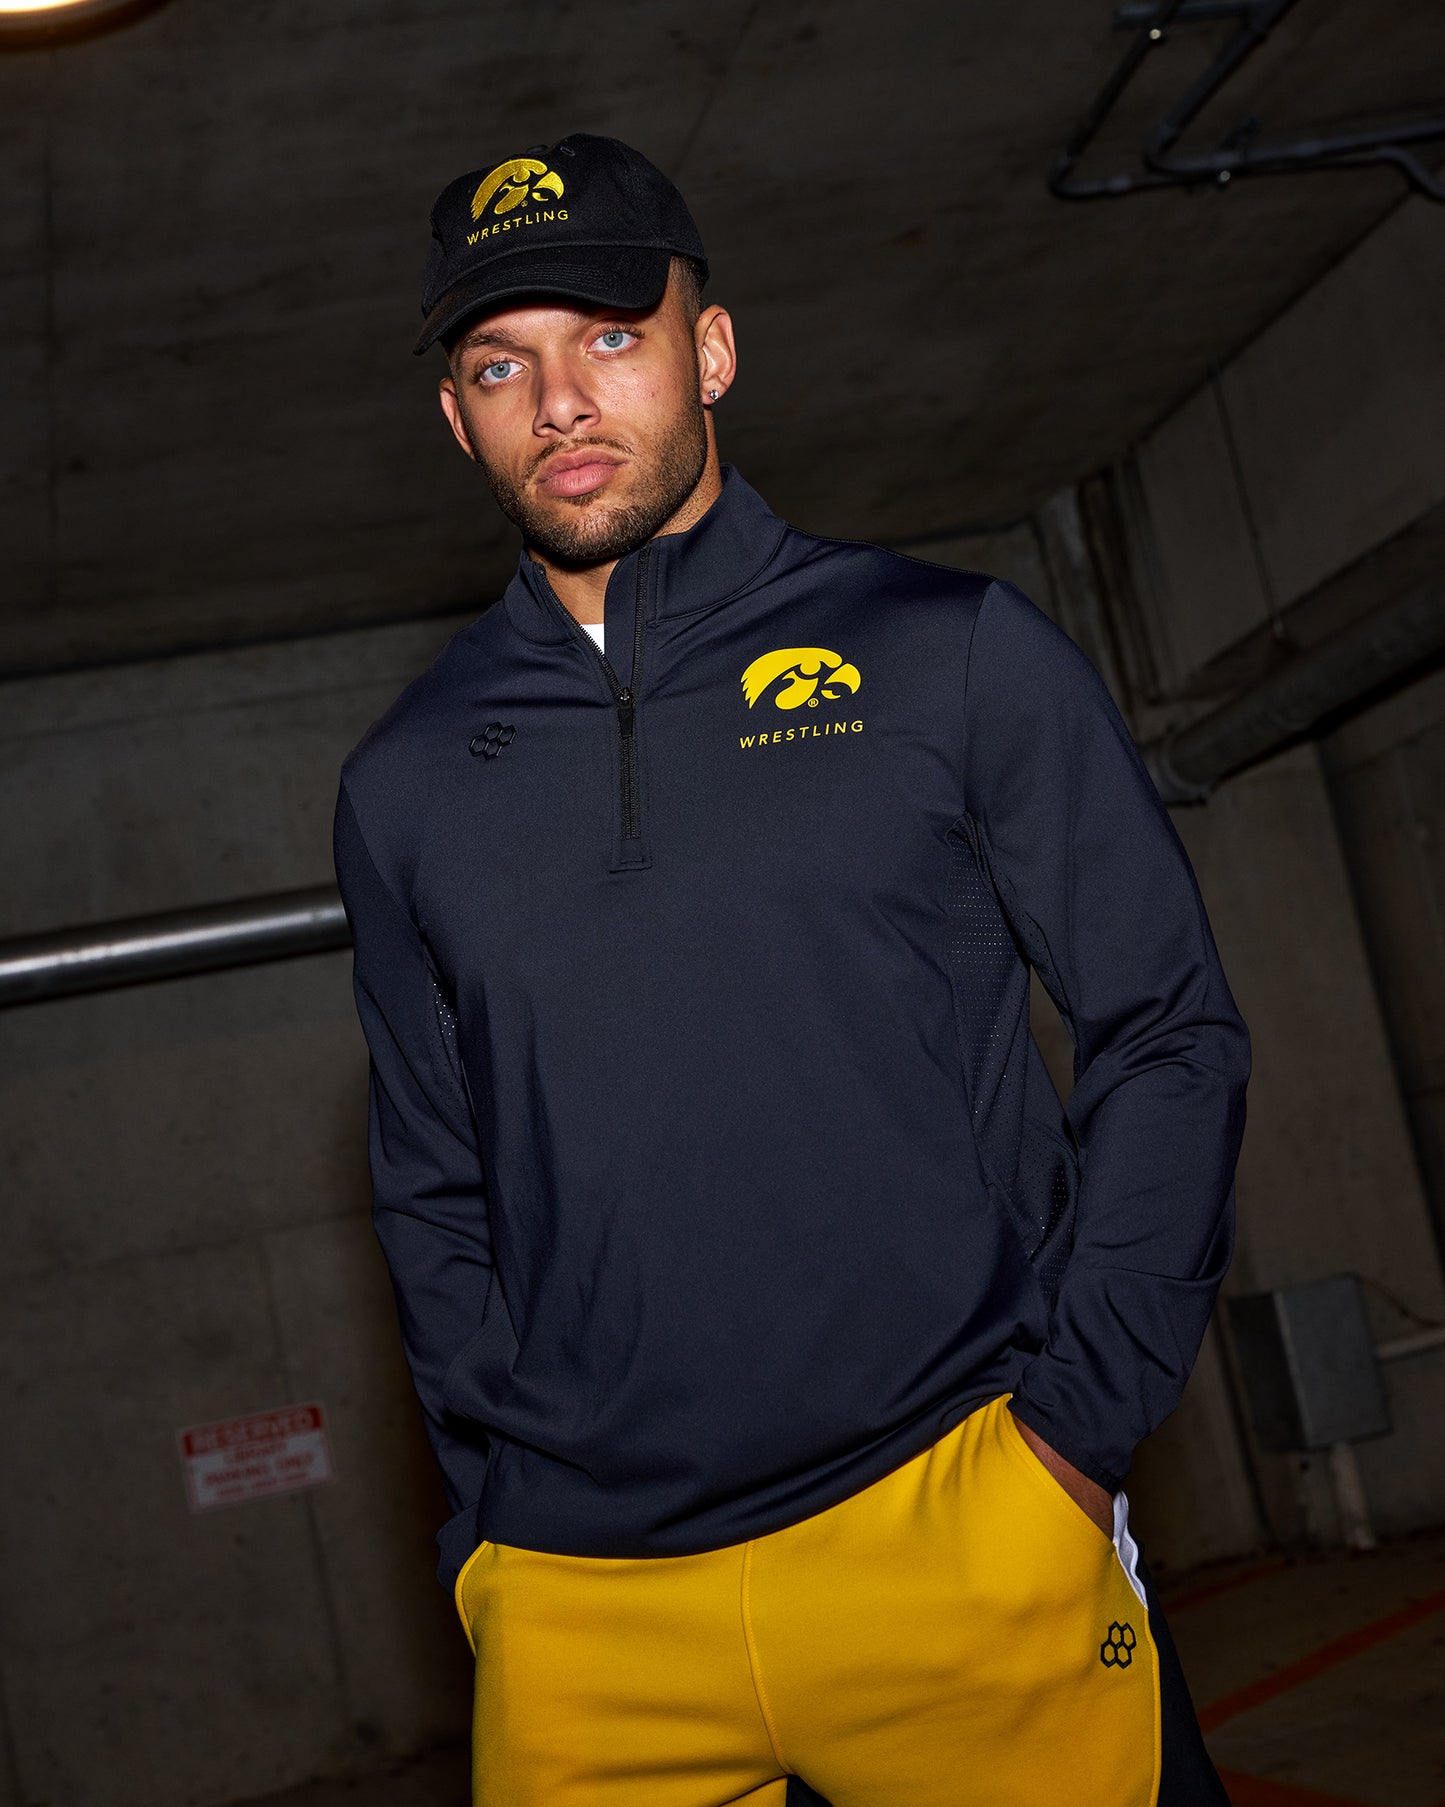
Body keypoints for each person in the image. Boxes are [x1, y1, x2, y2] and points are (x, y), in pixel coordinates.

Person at [333, 132, 1250, 1807]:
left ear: (712, 349)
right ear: (454, 416)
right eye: (500, 362)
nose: (561, 401)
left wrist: (1072, 1438)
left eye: (609, 335)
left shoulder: (947, 653)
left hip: (960, 1523)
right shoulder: (404, 784)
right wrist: (490, 1545)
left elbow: (1165, 1030)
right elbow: (430, 1181)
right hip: (584, 1609)